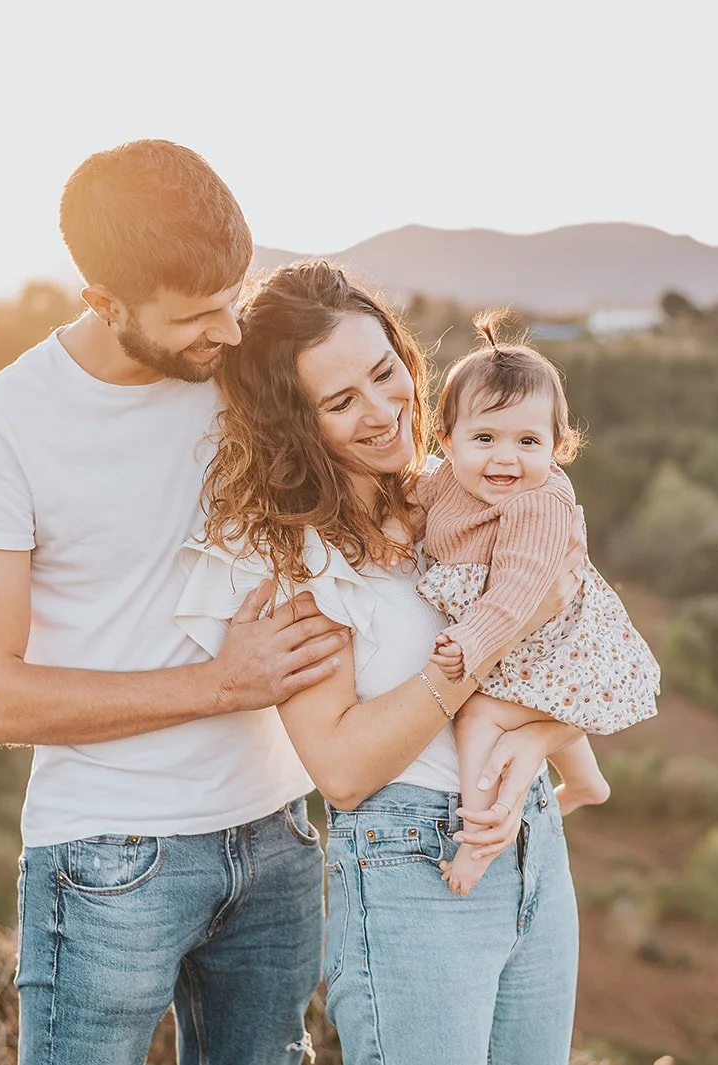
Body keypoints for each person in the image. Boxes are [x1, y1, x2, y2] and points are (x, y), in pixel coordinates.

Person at [0, 140, 350, 1065]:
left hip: (278, 834)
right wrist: (221, 684)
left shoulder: (241, 373)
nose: (228, 334)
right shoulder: (1, 425)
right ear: (102, 304)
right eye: (197, 316)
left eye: (233, 300)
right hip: (110, 858)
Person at [175, 260, 586, 1065]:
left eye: (383, 372)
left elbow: (569, 641)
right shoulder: (293, 558)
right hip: (413, 875)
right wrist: (492, 639)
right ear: (298, 424)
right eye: (340, 401)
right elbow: (344, 767)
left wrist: (535, 748)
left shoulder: (459, 487)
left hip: (529, 836)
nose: (380, 411)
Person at [418, 310, 661, 894]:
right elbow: (415, 501)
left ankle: (479, 839)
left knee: (477, 716)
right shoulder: (449, 478)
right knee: (537, 710)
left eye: (529, 441)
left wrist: (470, 641)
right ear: (447, 441)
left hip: (544, 637)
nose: (506, 458)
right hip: (517, 632)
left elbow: (519, 593)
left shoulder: (539, 505)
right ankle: (586, 784)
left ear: (558, 446)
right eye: (485, 438)